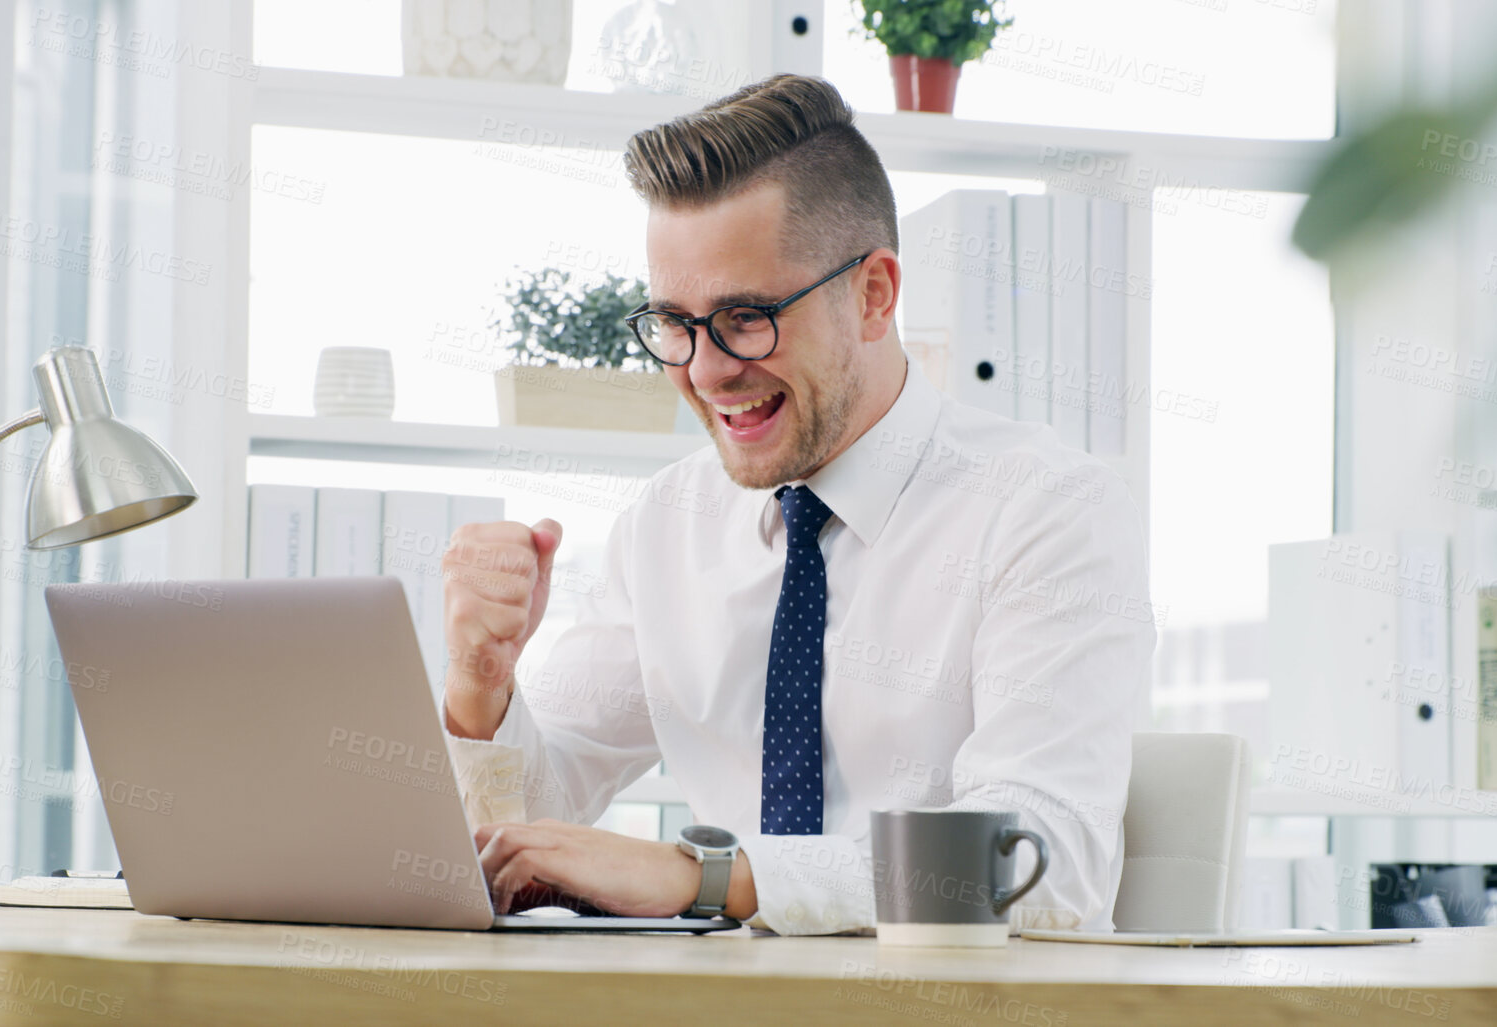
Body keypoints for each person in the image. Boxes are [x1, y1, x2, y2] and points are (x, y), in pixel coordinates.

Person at [441, 74, 1152, 935]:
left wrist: (707, 877)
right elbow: (528, 826)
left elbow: (1040, 864)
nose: (705, 371)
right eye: (674, 323)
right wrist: (480, 685)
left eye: (745, 316)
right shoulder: (666, 524)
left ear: (873, 294)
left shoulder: (1046, 510)